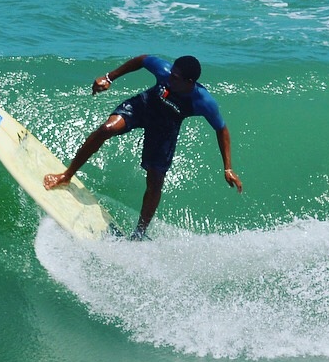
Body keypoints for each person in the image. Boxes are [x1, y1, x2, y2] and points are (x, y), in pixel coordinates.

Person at [44, 54, 242, 238]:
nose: (170, 78)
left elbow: (222, 129)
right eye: (171, 73)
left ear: (189, 82)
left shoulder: (203, 102)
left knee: (155, 180)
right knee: (106, 129)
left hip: (165, 128)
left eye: (176, 77)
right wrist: (109, 77)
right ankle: (67, 175)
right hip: (144, 106)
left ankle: (139, 234)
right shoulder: (164, 70)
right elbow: (142, 59)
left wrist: (228, 167)